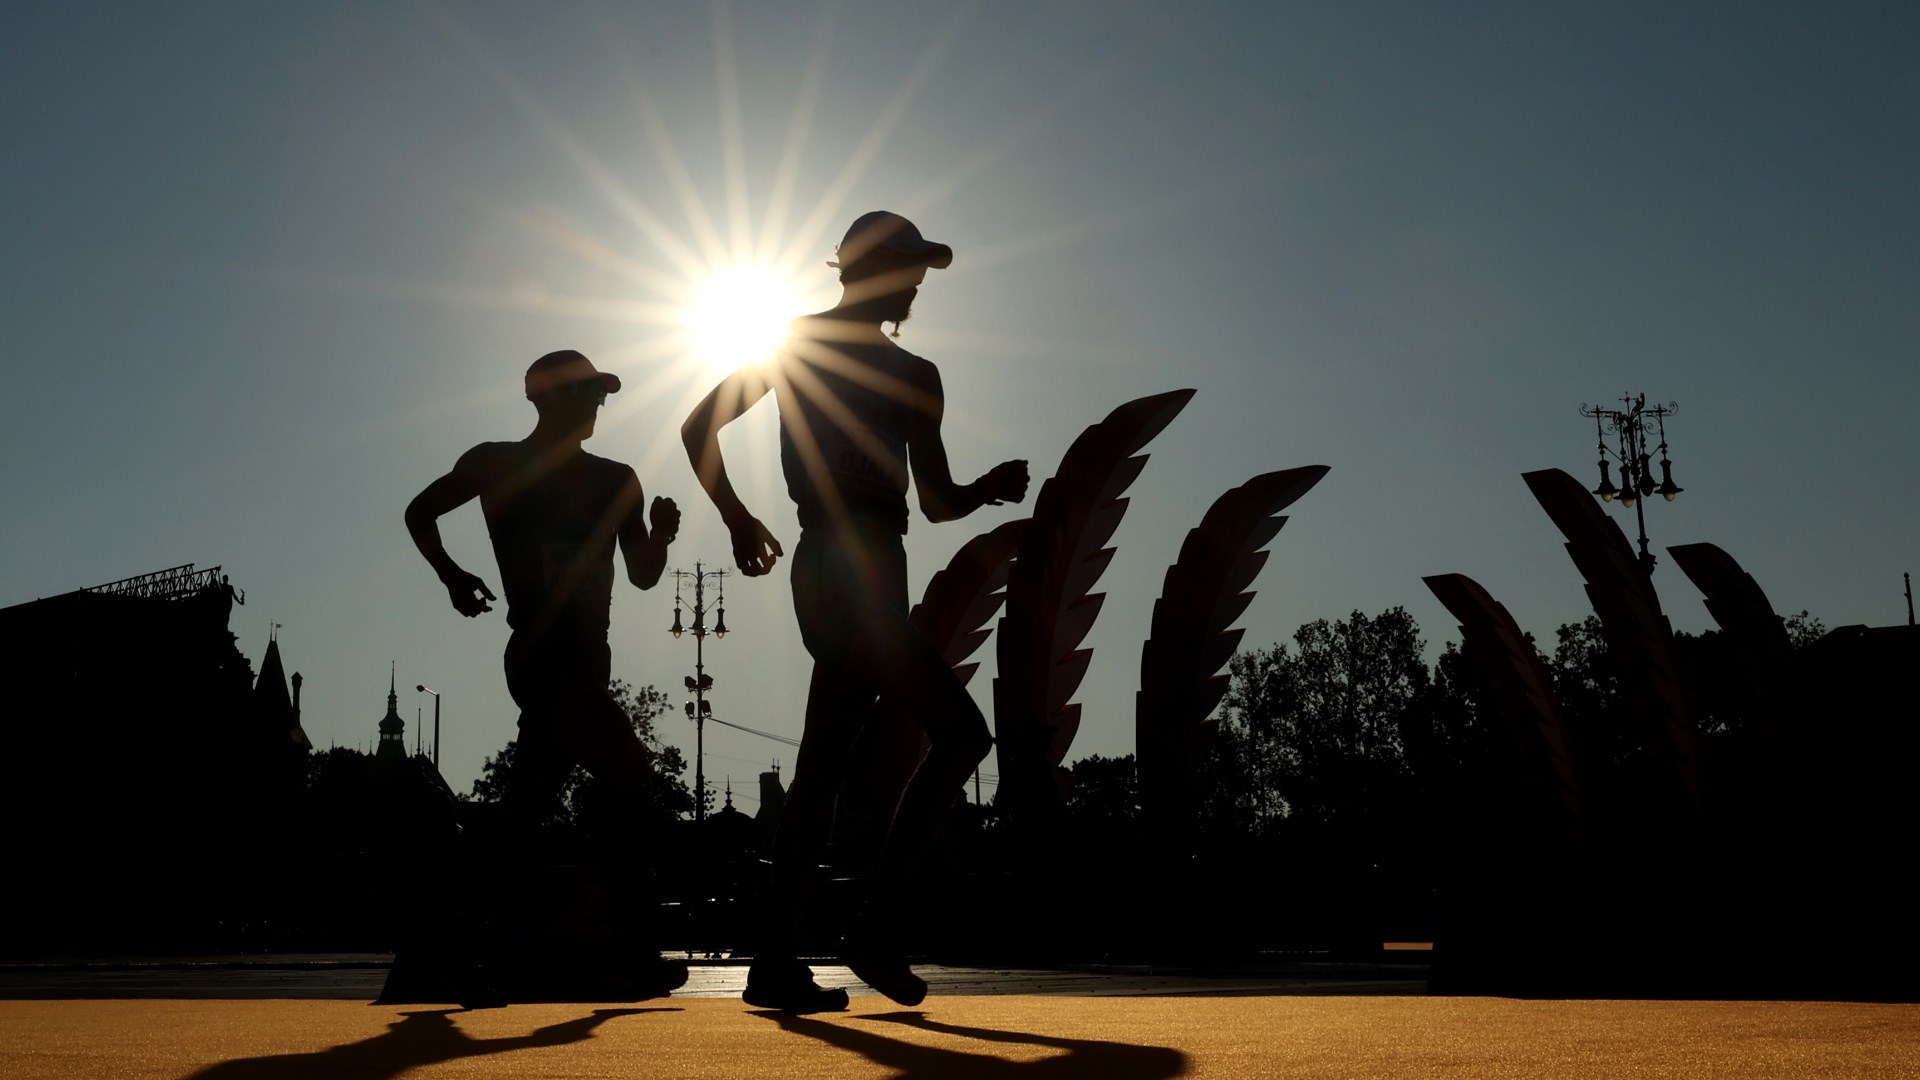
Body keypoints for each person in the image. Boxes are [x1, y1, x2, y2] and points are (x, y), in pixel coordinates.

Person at [682, 212, 1029, 1012]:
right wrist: (736, 517)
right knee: (964, 732)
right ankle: (871, 930)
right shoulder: (797, 343)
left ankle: (776, 959)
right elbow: (701, 425)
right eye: (907, 270)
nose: (915, 287)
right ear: (865, 270)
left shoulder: (918, 375)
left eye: (920, 273)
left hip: (882, 564)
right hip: (837, 567)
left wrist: (984, 489)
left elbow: (936, 503)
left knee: (822, 772)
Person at [405, 348, 685, 999]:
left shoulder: (617, 480)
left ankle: (469, 946)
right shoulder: (498, 463)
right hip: (542, 655)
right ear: (547, 399)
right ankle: (634, 952)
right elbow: (421, 511)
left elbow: (641, 574)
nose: (597, 407)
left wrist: (663, 537)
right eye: (585, 394)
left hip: (588, 662)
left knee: (526, 806)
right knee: (627, 774)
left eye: (600, 395)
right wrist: (451, 576)